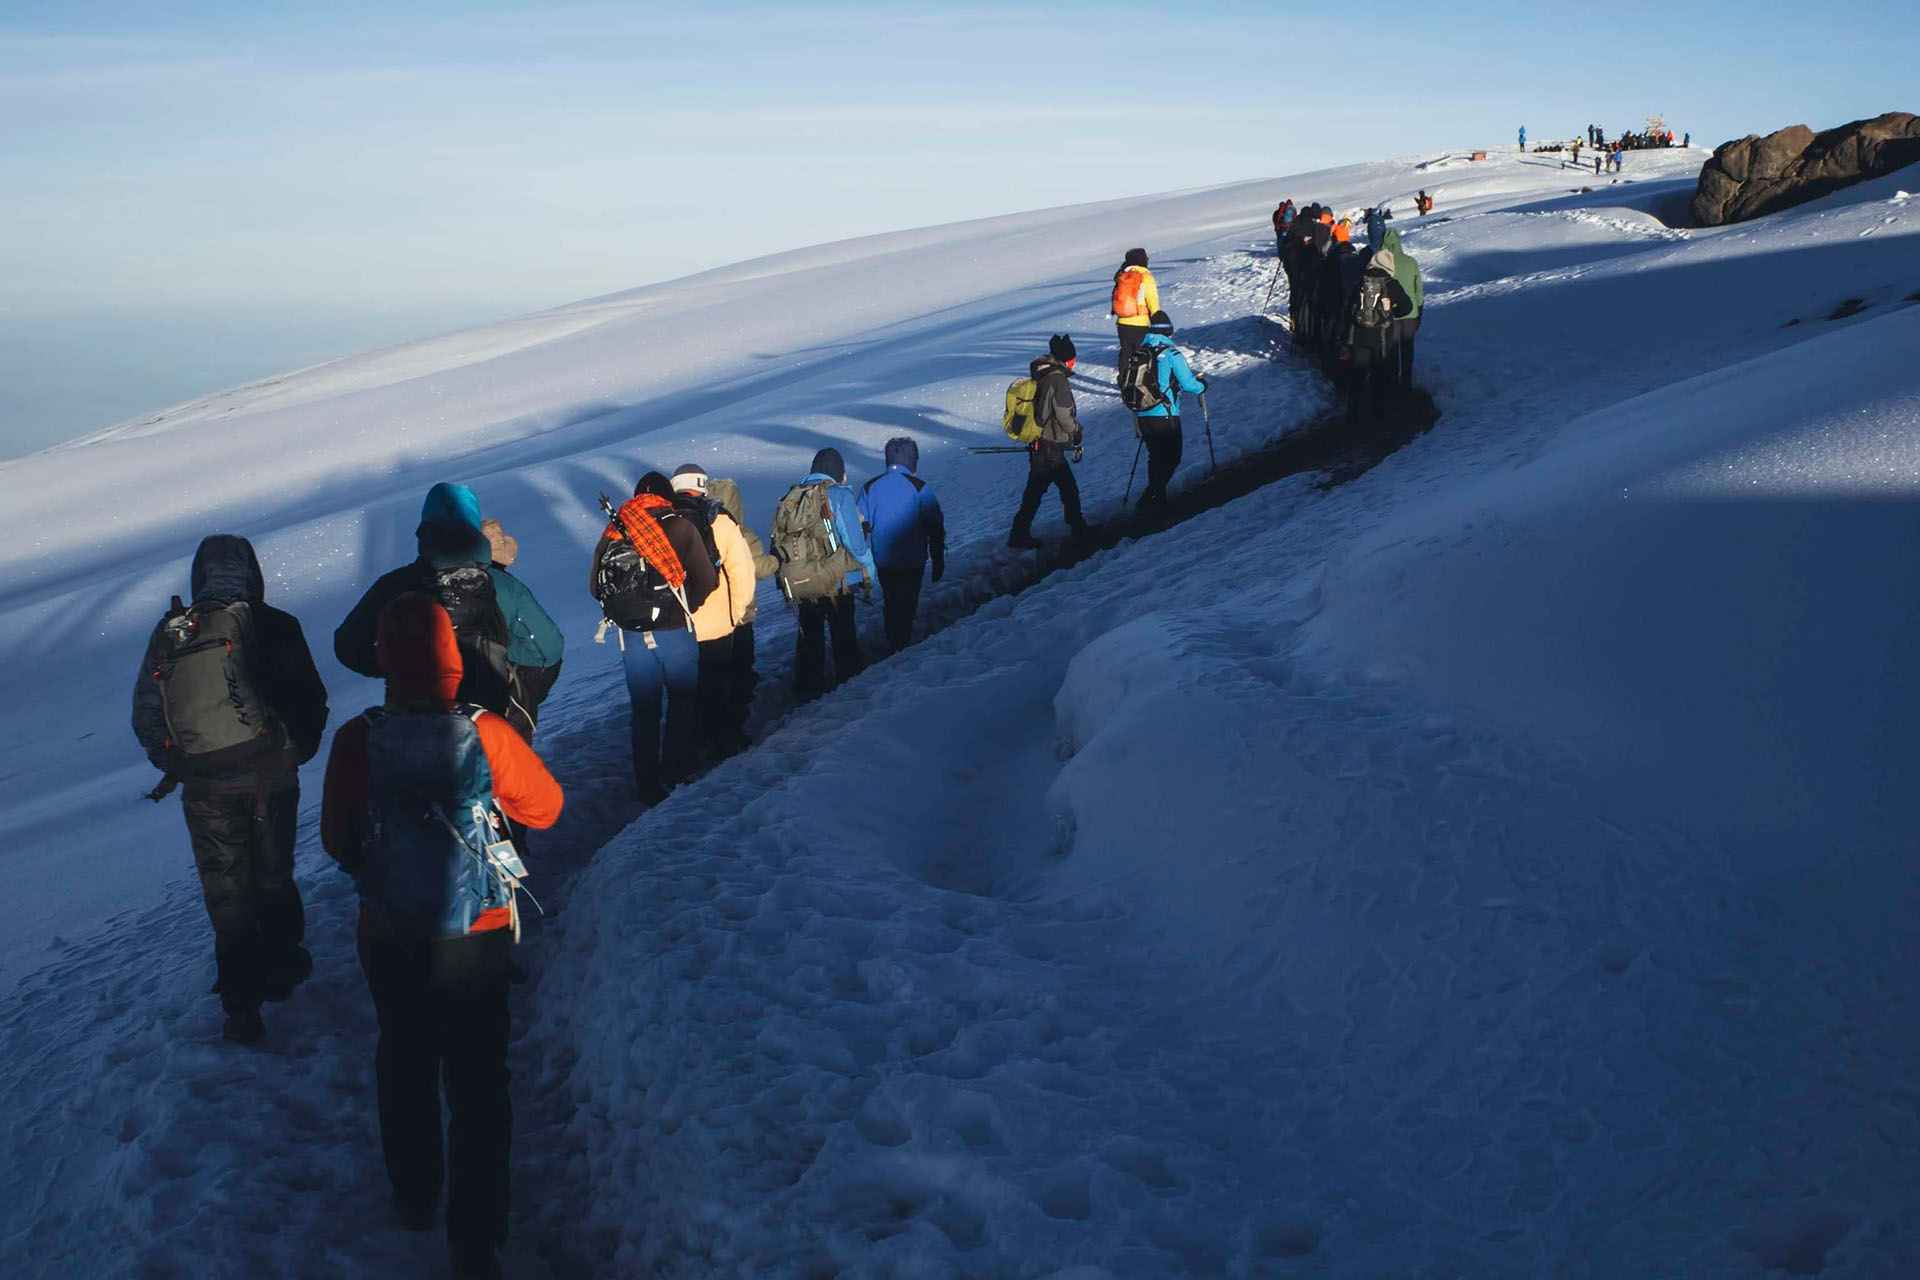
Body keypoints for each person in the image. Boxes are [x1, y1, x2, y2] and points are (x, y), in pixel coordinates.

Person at [321, 593, 562, 1280]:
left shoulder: (357, 739)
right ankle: (476, 1236)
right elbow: (546, 809)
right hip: (476, 932)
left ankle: (414, 1193)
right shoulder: (485, 732)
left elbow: (337, 840)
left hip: (391, 929)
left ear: (384, 661)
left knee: (404, 1058)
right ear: (453, 658)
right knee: (480, 1080)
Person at [131, 534, 329, 1044]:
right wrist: (294, 751)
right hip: (271, 776)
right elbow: (310, 698)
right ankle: (283, 967)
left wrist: (179, 763)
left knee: (227, 891)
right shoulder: (275, 625)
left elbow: (147, 716)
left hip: (205, 788)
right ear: (252, 571)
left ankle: (241, 1005)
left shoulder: (171, 633)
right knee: (273, 874)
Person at [336, 483, 564, 742]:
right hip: (492, 726)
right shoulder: (502, 586)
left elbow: (347, 646)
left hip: (414, 729)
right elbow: (548, 649)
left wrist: (394, 663)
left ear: (424, 529)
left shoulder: (392, 587)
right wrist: (506, 667)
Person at [589, 472, 718, 801]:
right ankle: (677, 771)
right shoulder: (679, 525)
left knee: (644, 709)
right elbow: (707, 581)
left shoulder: (614, 529)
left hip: (632, 636)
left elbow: (595, 587)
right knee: (682, 700)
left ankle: (646, 783)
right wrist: (685, 603)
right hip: (674, 630)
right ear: (666, 496)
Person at [771, 448, 877, 699]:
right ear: (838, 471)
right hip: (836, 581)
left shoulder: (792, 496)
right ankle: (850, 689)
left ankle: (808, 691)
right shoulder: (839, 495)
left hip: (802, 581)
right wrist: (869, 573)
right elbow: (855, 544)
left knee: (810, 638)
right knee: (843, 635)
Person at [668, 464, 758, 759]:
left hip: (677, 625)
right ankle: (723, 744)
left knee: (687, 692)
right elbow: (742, 572)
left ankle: (691, 747)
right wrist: (737, 613)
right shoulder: (719, 520)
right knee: (719, 686)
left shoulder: (662, 523)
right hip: (718, 625)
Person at [704, 474, 777, 747]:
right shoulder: (740, 534)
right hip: (740, 618)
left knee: (712, 679)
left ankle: (710, 732)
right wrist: (778, 562)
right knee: (740, 674)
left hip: (708, 623)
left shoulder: (698, 530)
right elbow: (758, 567)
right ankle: (733, 730)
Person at [857, 436, 946, 652]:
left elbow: (859, 529)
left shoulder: (870, 487)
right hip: (913, 559)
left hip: (884, 561)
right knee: (908, 603)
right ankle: (902, 647)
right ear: (912, 460)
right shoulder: (919, 487)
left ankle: (894, 641)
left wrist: (860, 568)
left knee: (891, 601)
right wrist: (938, 559)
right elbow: (935, 525)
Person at [1009, 334, 1089, 547]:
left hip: (1040, 441)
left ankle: (1020, 533)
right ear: (1067, 358)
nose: (1074, 362)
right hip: (1049, 443)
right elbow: (1063, 413)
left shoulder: (1042, 373)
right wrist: (1076, 432)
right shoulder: (1057, 379)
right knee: (1064, 488)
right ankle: (1078, 530)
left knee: (1039, 490)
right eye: (1073, 357)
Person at [1130, 312, 1207, 509]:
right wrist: (1202, 386)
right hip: (1164, 414)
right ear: (1168, 331)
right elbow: (1189, 384)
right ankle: (1151, 498)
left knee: (1155, 457)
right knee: (1173, 457)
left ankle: (1157, 499)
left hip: (1142, 413)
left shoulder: (1140, 352)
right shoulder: (1171, 353)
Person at [1378, 229, 1424, 386]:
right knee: (1407, 348)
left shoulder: (1382, 263)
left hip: (1390, 313)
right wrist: (1419, 309)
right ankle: (1406, 381)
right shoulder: (1411, 262)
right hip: (1411, 313)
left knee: (1391, 349)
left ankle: (1392, 382)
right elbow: (1418, 288)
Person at [1110, 248, 1158, 370]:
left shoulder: (1122, 275)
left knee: (1125, 353)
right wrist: (1157, 319)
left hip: (1122, 322)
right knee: (1141, 354)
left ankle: (1123, 382)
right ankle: (1138, 383)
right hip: (1140, 323)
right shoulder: (1145, 277)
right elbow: (1152, 300)